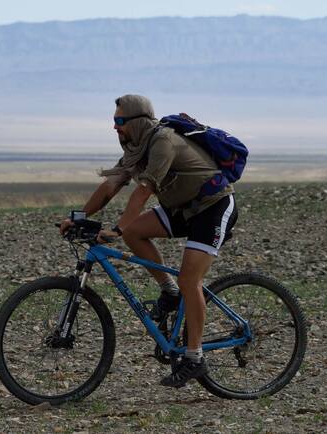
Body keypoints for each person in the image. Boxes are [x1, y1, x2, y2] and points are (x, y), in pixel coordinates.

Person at [59, 94, 238, 388]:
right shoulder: (136, 148)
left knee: (190, 279)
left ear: (138, 121)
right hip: (183, 208)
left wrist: (116, 228)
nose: (115, 127)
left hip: (213, 206)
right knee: (135, 233)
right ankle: (169, 292)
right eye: (113, 121)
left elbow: (142, 193)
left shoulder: (162, 142)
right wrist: (77, 216)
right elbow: (111, 185)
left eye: (120, 121)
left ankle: (195, 357)